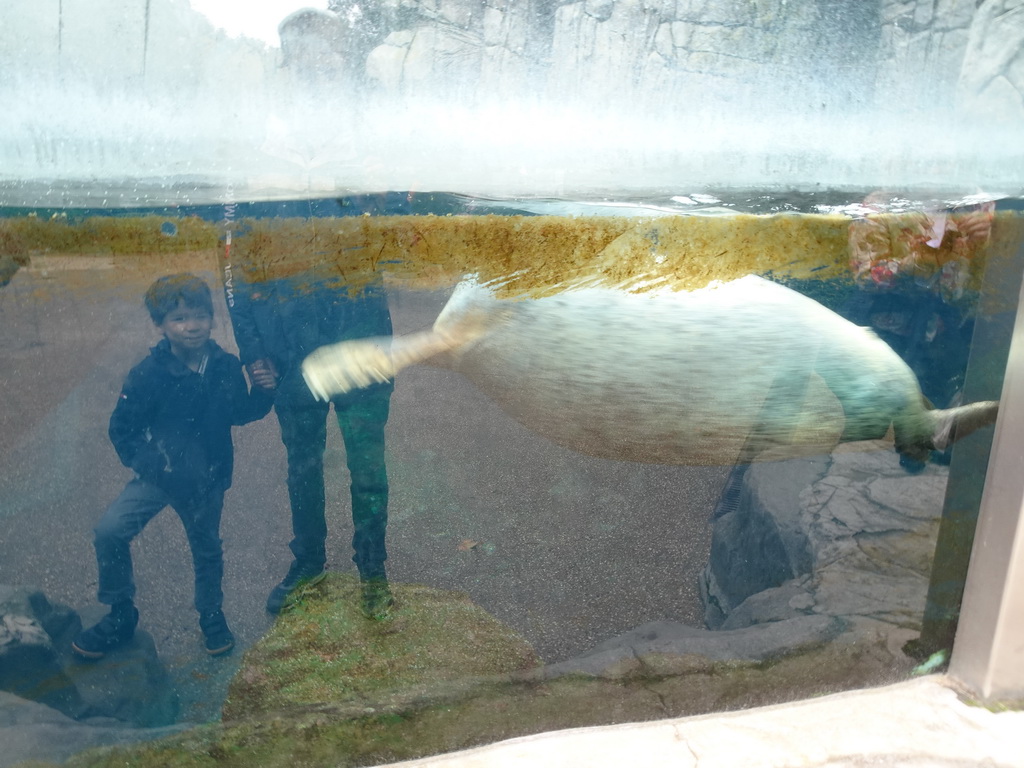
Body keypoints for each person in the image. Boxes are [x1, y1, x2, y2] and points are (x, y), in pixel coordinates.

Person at [71, 274, 272, 660]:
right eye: (179, 318)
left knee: (207, 548)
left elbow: (240, 413)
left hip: (206, 479)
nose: (192, 326)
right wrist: (155, 464)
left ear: (213, 319)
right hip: (158, 477)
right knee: (110, 531)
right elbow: (122, 429)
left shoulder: (226, 367)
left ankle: (211, 615)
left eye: (199, 316)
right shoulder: (148, 373)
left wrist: (263, 391)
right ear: (160, 325)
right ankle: (119, 613)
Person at [224, 264, 395, 618]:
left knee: (368, 470)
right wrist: (253, 351)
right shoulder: (258, 209)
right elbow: (236, 275)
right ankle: (309, 561)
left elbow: (394, 243)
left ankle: (373, 570)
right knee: (302, 469)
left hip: (361, 343)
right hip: (290, 353)